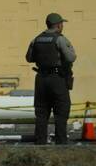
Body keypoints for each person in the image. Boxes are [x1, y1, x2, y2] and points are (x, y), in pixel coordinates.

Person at [25, 13, 76, 145]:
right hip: (57, 78)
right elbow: (71, 58)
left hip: (41, 79)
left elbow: (29, 58)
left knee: (41, 112)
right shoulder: (60, 39)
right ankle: (60, 142)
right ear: (58, 25)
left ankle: (41, 142)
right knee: (61, 110)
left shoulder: (36, 39)